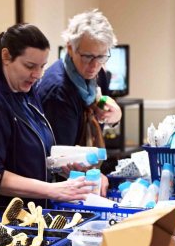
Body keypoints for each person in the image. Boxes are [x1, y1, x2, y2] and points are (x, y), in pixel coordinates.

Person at [0, 24, 92, 216]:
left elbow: (27, 152)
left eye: (42, 67)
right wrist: (53, 190)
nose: (37, 74)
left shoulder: (25, 90)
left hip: (26, 213)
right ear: (6, 56)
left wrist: (56, 166)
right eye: (30, 66)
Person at [37, 10, 122, 172]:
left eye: (102, 57)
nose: (95, 65)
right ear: (70, 49)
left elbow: (102, 112)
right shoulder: (58, 91)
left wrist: (115, 116)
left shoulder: (99, 74)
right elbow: (62, 161)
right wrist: (94, 176)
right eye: (88, 57)